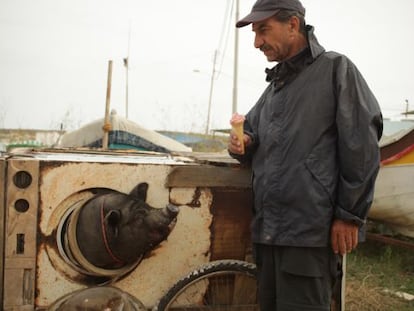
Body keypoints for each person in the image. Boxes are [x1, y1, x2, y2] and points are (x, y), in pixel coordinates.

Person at [228, 0, 383, 310]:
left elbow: (361, 145)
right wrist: (243, 143)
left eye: (263, 30)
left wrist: (349, 216)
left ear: (293, 25)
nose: (256, 42)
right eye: (255, 33)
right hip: (268, 233)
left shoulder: (335, 69)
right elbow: (255, 133)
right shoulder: (275, 86)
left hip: (310, 235)